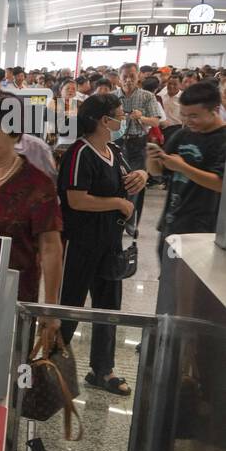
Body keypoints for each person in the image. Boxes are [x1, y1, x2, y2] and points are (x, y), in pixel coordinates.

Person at [56, 94, 148, 397]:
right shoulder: (79, 153)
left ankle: (102, 369)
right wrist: (119, 203)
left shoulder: (114, 150)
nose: (122, 120)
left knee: (109, 308)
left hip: (110, 243)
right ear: (102, 120)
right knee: (69, 306)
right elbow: (76, 199)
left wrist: (141, 176)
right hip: (80, 244)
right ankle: (52, 367)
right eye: (118, 115)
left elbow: (129, 176)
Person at [0, 116, 64, 313]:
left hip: (16, 291)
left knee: (10, 342)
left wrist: (50, 308)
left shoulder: (38, 184)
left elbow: (50, 246)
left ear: (14, 134)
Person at [147, 80, 225, 246]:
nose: (188, 120)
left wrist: (183, 167)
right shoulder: (182, 135)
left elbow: (220, 184)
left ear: (215, 110)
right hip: (173, 221)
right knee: (168, 269)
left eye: (194, 116)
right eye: (184, 114)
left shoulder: (222, 140)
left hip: (205, 229)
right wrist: (153, 159)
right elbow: (158, 172)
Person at [116, 62, 163, 236]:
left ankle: (131, 221)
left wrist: (141, 117)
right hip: (117, 143)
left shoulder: (147, 96)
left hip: (138, 143)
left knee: (136, 184)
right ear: (119, 78)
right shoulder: (114, 97)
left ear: (138, 78)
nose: (128, 80)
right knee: (116, 183)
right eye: (125, 76)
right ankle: (117, 220)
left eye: (132, 76)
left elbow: (156, 122)